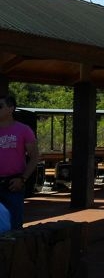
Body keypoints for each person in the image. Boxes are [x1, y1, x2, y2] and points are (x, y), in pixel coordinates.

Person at [0, 94, 39, 230]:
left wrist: (22, 179)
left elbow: (34, 157)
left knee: (15, 224)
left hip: (13, 183)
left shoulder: (23, 130)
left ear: (11, 109)